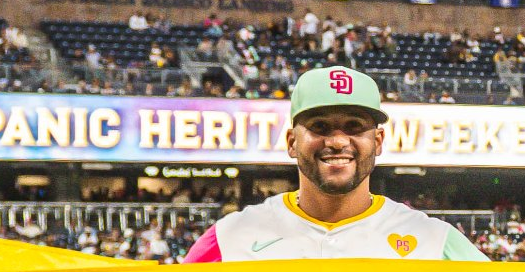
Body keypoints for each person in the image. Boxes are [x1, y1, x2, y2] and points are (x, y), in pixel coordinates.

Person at [186, 65, 485, 260]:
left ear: (378, 142)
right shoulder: (230, 239)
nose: (338, 141)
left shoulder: (433, 242)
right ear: (291, 142)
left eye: (355, 126)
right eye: (320, 126)